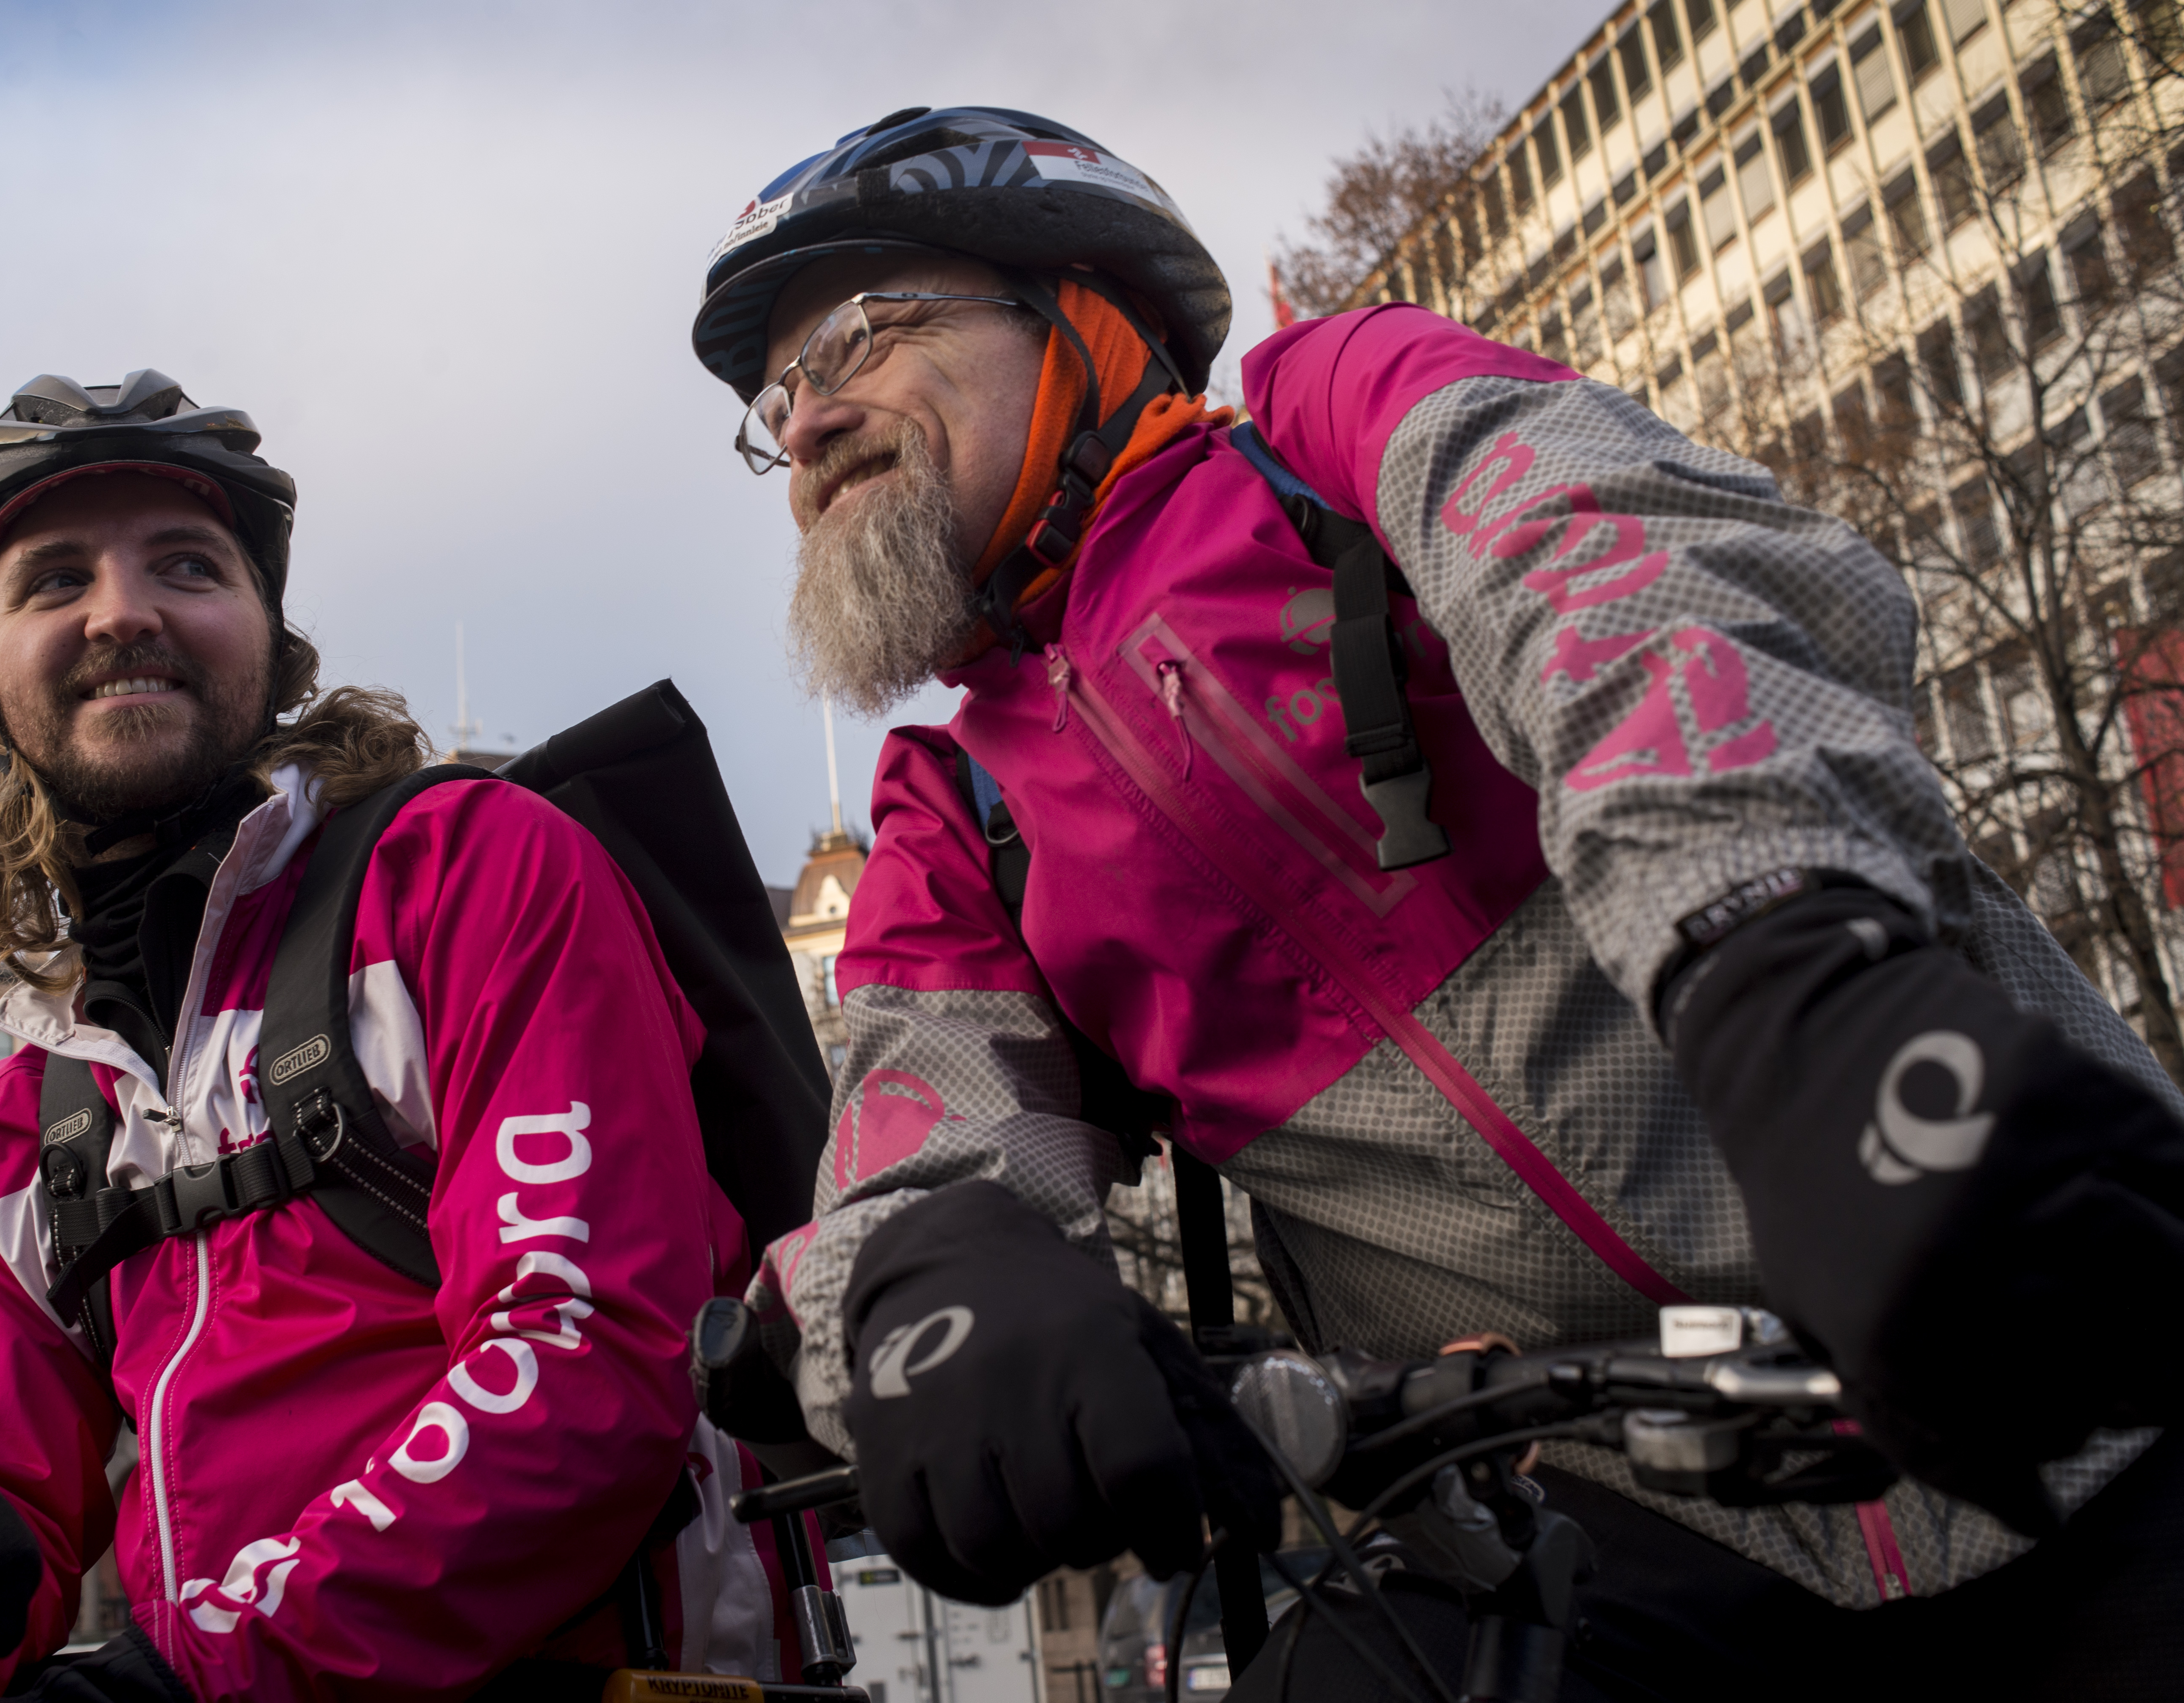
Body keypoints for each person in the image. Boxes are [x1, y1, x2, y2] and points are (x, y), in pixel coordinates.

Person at [695, 108, 2184, 1697]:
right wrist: (924, 1294)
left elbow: (1617, 583)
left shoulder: (1331, 425)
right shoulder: (958, 815)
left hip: (2036, 1315)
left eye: (869, 326)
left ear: (1086, 309)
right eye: (776, 398)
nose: (807, 421)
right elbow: (906, 1155)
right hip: (1616, 1527)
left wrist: (1794, 974)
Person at [0, 373, 790, 1702]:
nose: (122, 611)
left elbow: (582, 1357)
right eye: (54, 580)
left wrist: (200, 1678)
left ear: (268, 638)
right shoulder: (38, 1110)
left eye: (186, 566)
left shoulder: (463, 874)